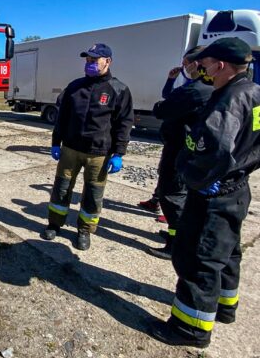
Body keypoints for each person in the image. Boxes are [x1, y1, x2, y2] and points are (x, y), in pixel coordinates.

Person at [151, 38, 259, 348]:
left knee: (199, 258)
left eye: (207, 64)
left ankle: (190, 329)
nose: (203, 68)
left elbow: (214, 147)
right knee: (228, 252)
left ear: (221, 65)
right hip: (237, 189)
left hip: (214, 193)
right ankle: (226, 307)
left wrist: (198, 176)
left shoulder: (227, 99)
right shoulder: (255, 93)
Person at [45, 43, 134, 250]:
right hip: (70, 149)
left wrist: (119, 153)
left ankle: (84, 231)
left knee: (93, 195)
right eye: (87, 60)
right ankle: (54, 224)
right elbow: (62, 118)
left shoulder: (118, 89)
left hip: (99, 154)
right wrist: (55, 143)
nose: (90, 64)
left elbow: (124, 124)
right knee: (61, 189)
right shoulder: (75, 87)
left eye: (94, 60)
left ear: (107, 61)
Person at [147, 46, 214, 260]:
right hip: (181, 148)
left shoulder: (197, 90)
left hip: (181, 150)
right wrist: (170, 81)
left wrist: (165, 104)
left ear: (197, 64)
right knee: (176, 195)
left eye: (186, 64)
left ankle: (176, 244)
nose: (184, 67)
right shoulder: (199, 87)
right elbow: (171, 96)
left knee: (171, 195)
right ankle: (176, 235)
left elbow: (162, 108)